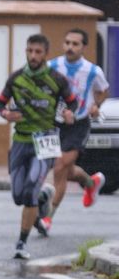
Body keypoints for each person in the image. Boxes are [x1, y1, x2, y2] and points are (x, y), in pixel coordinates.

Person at [0, 34, 78, 260]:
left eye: (38, 52)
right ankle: (44, 199)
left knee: (30, 188)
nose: (33, 56)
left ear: (45, 54)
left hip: (45, 141)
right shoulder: (16, 78)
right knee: (18, 196)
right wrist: (6, 114)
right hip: (21, 141)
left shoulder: (57, 79)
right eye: (29, 51)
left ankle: (21, 243)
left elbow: (72, 101)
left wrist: (70, 112)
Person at [43, 28, 109, 230]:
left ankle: (48, 218)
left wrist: (96, 106)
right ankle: (91, 183)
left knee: (61, 166)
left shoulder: (92, 71)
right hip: (54, 123)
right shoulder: (52, 66)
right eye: (67, 43)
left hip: (78, 124)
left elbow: (103, 90)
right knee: (65, 169)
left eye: (75, 44)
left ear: (84, 47)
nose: (70, 47)